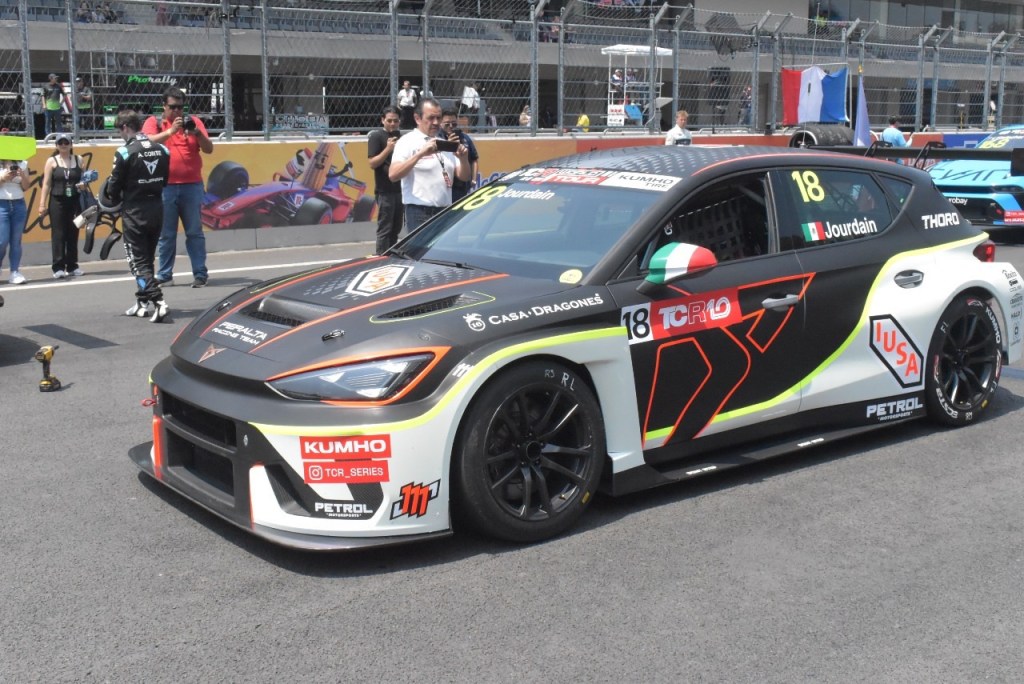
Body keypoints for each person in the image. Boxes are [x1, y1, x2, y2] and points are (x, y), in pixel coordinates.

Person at [143, 86, 213, 288]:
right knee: (166, 234)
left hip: (192, 186)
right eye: (173, 107)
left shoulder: (194, 122)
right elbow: (146, 142)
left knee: (194, 233)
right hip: (165, 187)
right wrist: (171, 131)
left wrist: (197, 133)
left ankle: (200, 274)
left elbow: (209, 149)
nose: (177, 111)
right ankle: (165, 275)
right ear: (164, 106)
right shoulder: (154, 122)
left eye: (180, 107)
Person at [104, 110, 171, 322]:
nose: (120, 134)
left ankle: (159, 302)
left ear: (125, 127)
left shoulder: (124, 152)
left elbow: (113, 188)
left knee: (137, 263)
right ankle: (142, 303)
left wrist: (113, 198)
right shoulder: (162, 149)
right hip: (157, 208)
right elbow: (165, 181)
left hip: (134, 212)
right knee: (147, 260)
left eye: (119, 130)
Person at [388, 97, 471, 232]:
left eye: (438, 118)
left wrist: (463, 159)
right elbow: (393, 175)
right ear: (417, 118)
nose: (436, 122)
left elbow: (464, 176)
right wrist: (420, 154)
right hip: (420, 212)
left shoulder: (443, 142)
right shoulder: (407, 141)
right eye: (431, 118)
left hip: (444, 210)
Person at [38, 134, 86, 278]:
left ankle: (72, 265)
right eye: (61, 143)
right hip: (57, 201)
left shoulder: (79, 159)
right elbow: (46, 184)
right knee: (58, 234)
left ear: (71, 145)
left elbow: (84, 179)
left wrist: (83, 185)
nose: (64, 145)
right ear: (56, 145)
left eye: (66, 142)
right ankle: (58, 267)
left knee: (73, 232)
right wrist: (42, 204)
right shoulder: (51, 161)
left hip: (75, 200)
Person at [367, 106, 404, 254]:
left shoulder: (402, 138)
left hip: (401, 189)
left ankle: (391, 255)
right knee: (385, 228)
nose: (392, 124)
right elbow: (372, 163)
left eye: (395, 121)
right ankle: (381, 256)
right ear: (383, 120)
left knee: (396, 228)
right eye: (389, 120)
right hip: (384, 191)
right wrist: (388, 149)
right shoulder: (376, 136)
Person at [438, 108, 478, 203]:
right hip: (445, 187)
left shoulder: (464, 138)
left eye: (454, 124)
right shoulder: (437, 138)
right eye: (447, 124)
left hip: (462, 186)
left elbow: (474, 159)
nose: (451, 126)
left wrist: (474, 179)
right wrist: (448, 145)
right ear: (440, 123)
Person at [0, 157, 30, 285]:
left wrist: (21, 175)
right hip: (1, 204)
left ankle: (15, 271)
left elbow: (26, 186)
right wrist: (3, 178)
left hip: (18, 203)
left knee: (16, 240)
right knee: (2, 241)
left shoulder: (22, 163)